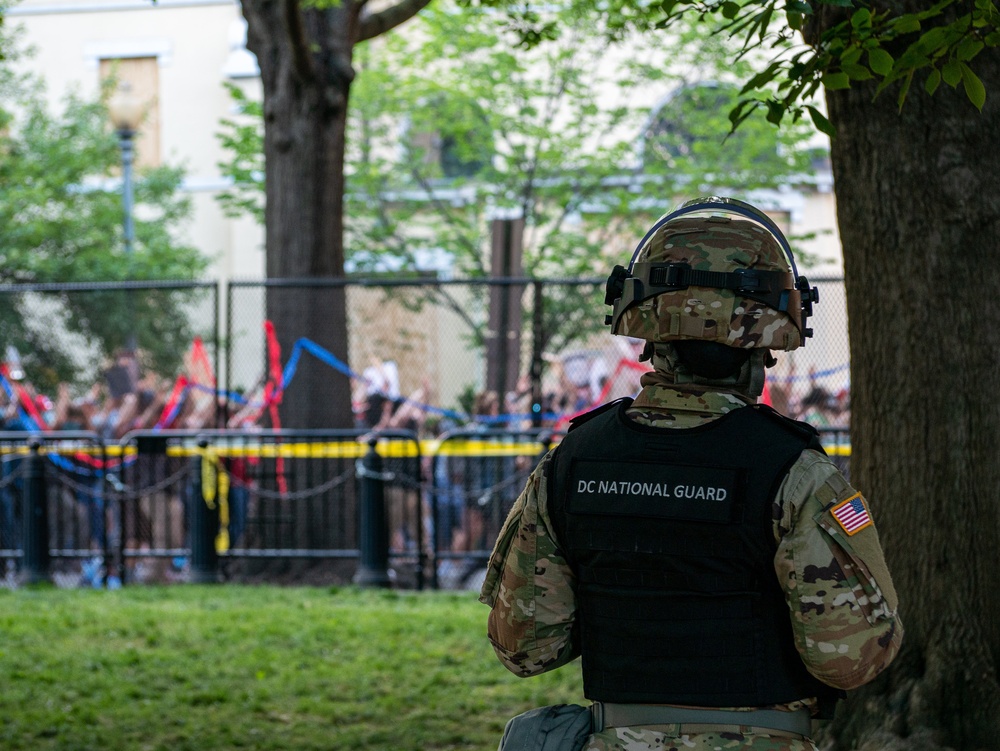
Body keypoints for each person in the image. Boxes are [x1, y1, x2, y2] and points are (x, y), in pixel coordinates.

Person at [480, 197, 903, 751]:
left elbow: (524, 646)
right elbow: (852, 657)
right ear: (765, 343)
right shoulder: (797, 474)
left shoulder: (571, 463)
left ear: (648, 330)